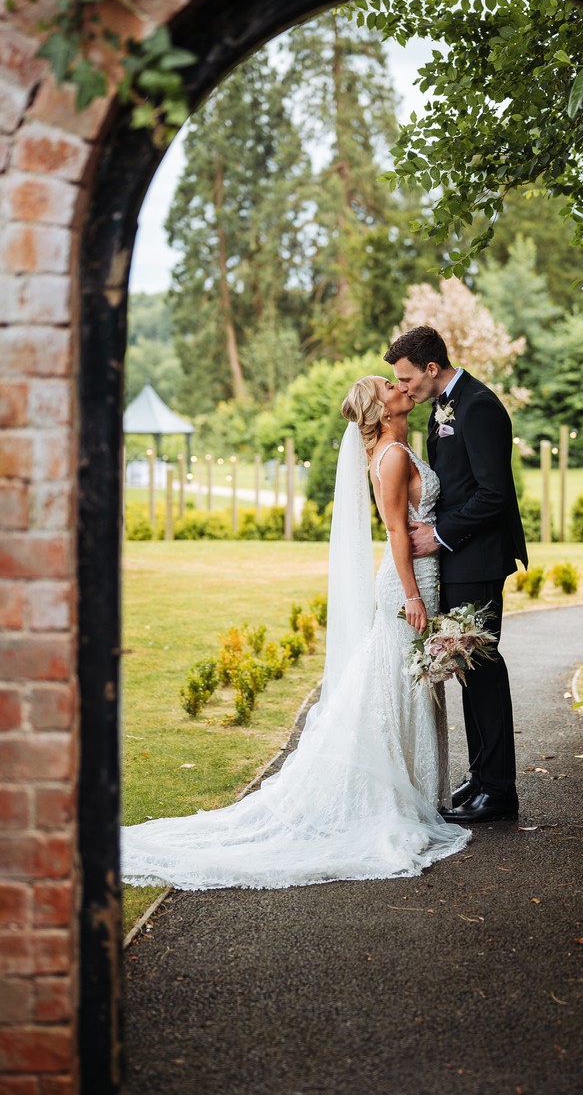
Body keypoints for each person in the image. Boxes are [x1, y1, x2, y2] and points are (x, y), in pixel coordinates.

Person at [121, 376, 470, 891]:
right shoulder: (393, 456)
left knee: (407, 685)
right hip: (407, 585)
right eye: (390, 386)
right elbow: (397, 530)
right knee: (401, 686)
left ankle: (418, 792)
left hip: (421, 577)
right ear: (381, 408)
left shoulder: (399, 446)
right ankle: (398, 798)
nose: (400, 386)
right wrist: (414, 596)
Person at [385, 326, 528, 825]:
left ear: (430, 368)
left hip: (479, 557)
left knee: (484, 669)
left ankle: (500, 792)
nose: (402, 389)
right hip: (459, 559)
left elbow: (494, 493)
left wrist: (439, 533)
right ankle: (483, 776)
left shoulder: (478, 405)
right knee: (468, 668)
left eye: (406, 379)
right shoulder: (442, 405)